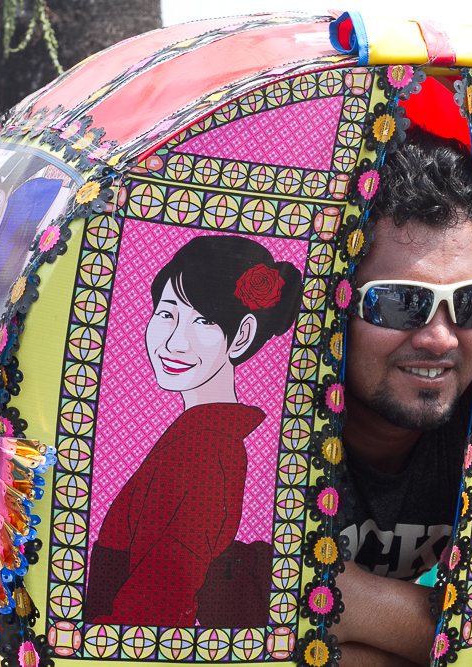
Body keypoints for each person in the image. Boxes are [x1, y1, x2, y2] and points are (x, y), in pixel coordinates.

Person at [333, 130, 472, 666]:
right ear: (334, 306)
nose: (441, 338)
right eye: (402, 302)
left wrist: (354, 600)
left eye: (469, 302)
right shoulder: (270, 430)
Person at [85, 235, 302, 627]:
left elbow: (157, 606)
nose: (174, 341)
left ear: (242, 335)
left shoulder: (204, 452)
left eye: (204, 320)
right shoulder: (199, 439)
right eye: (167, 314)